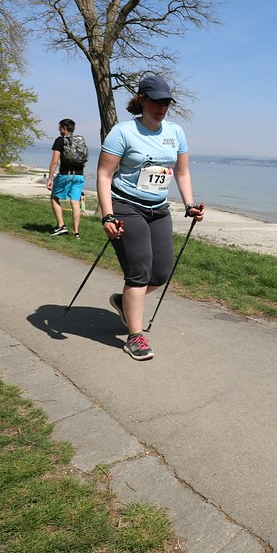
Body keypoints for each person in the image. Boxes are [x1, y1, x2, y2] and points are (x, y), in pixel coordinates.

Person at [97, 76, 204, 361]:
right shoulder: (123, 132)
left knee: (161, 274)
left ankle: (125, 302)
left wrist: (189, 204)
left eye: (167, 102)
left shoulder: (175, 132)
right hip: (126, 205)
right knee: (139, 272)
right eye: (157, 101)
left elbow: (181, 172)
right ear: (142, 99)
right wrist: (107, 214)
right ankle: (136, 336)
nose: (162, 107)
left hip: (158, 209)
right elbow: (105, 175)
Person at [46, 118, 87, 237]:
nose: (59, 129)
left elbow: (55, 161)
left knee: (54, 197)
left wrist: (50, 178)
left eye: (60, 127)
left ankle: (61, 226)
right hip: (79, 176)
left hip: (65, 175)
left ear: (65, 128)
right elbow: (84, 161)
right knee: (75, 202)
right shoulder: (80, 140)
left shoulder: (60, 141)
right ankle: (76, 233)